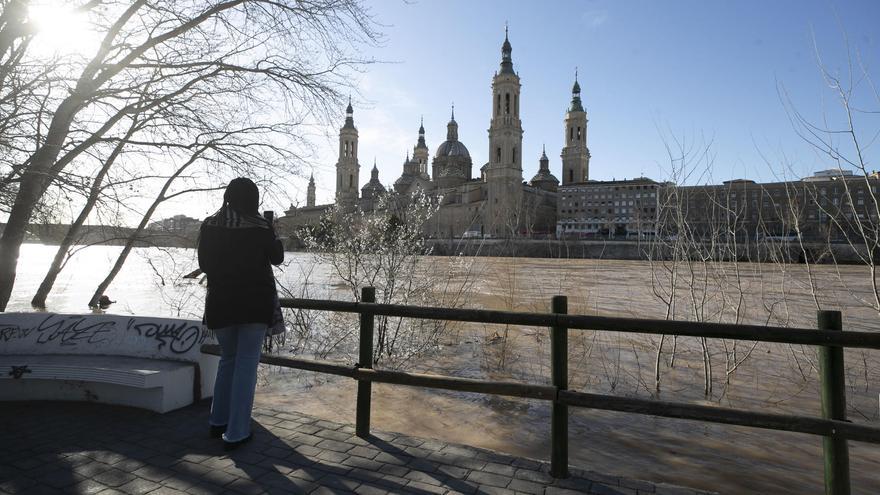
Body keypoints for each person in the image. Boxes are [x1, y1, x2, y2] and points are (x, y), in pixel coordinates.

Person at [198, 178, 284, 450]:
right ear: (254, 200)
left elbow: (204, 264)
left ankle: (217, 422)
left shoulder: (209, 225)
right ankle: (237, 432)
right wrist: (273, 232)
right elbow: (277, 258)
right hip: (253, 304)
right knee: (246, 366)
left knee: (227, 361)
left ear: (228, 197)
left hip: (220, 304)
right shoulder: (260, 228)